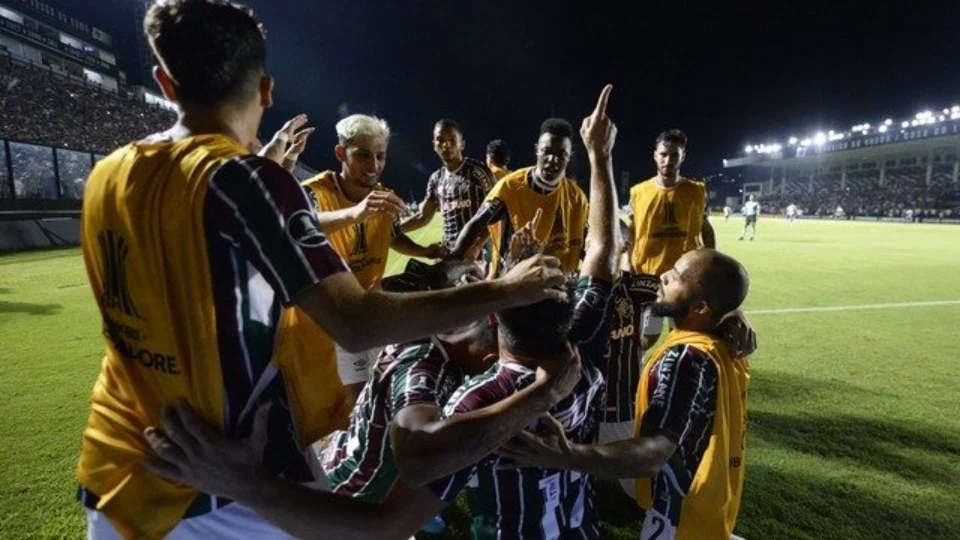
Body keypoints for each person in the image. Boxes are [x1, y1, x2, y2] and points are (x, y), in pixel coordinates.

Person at [77, 2, 565, 538]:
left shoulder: (107, 173)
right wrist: (503, 290)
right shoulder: (247, 181)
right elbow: (356, 322)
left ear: (164, 83)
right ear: (266, 89)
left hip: (113, 464)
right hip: (208, 486)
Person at [139, 84, 619, 540]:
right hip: (342, 478)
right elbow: (415, 456)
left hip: (360, 371)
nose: (486, 288)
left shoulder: (507, 367)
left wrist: (598, 157)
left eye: (379, 155)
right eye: (363, 154)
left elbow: (600, 258)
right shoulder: (428, 364)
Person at [500, 248, 753, 540]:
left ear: (700, 308)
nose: (663, 277)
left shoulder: (685, 358)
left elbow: (653, 454)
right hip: (710, 506)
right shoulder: (725, 347)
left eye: (675, 279)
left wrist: (566, 456)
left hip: (680, 518)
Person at [300, 114, 446, 397]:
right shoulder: (314, 192)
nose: (374, 166)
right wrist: (355, 213)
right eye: (363, 156)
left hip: (371, 309)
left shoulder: (382, 194)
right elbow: (300, 223)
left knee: (377, 389)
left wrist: (423, 251)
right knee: (348, 397)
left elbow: (394, 237)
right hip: (332, 317)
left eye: (380, 156)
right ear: (341, 152)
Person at [448, 118, 589, 277]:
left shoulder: (577, 197)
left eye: (561, 154)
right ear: (537, 150)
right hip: (513, 288)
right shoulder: (510, 187)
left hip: (559, 290)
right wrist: (452, 260)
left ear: (570, 155)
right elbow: (477, 223)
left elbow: (587, 242)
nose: (553, 160)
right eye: (547, 151)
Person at [627, 129, 716, 352]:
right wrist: (626, 261)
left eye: (674, 155)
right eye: (664, 154)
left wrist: (710, 262)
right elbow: (631, 229)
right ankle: (635, 377)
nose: (668, 160)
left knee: (684, 335)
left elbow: (705, 227)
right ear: (655, 155)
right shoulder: (638, 192)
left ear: (682, 157)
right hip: (649, 278)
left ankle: (675, 376)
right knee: (646, 337)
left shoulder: (696, 191)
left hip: (685, 279)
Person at [401, 119, 496, 256]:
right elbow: (423, 217)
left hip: (477, 255)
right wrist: (393, 231)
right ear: (434, 145)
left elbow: (496, 212)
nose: (446, 144)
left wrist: (478, 245)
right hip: (448, 255)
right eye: (440, 140)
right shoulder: (436, 179)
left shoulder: (478, 172)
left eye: (452, 139)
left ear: (462, 144)